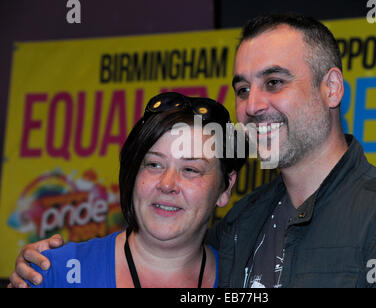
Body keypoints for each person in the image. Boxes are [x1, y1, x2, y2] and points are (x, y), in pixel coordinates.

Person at [9, 14, 376, 288]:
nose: (253, 104)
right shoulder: (242, 223)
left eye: (274, 82)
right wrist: (47, 267)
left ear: (331, 87)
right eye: (243, 88)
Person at [10, 92, 245, 287]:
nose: (167, 184)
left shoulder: (246, 282)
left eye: (191, 170)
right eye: (154, 164)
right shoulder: (52, 272)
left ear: (225, 188)